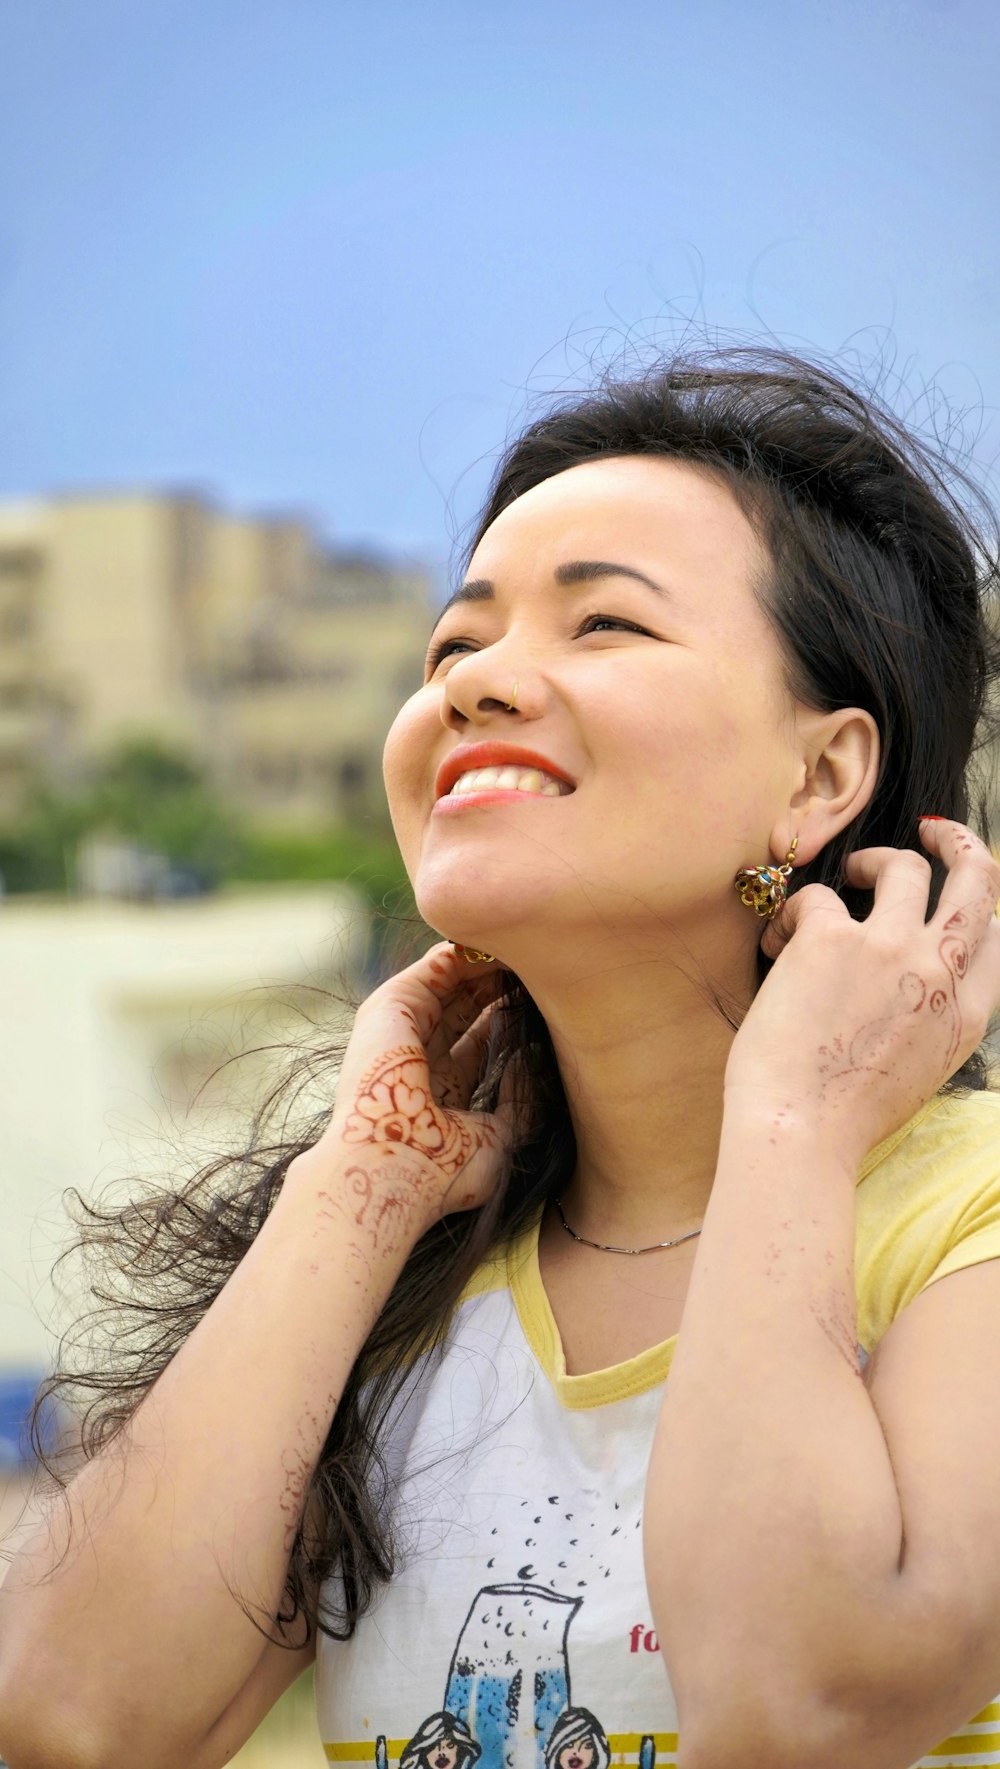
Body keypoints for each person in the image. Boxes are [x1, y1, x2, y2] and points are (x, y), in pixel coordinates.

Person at [2, 347, 1000, 1769]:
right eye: (455, 647)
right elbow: (64, 1720)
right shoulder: (397, 1265)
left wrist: (796, 1117)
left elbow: (798, 1706)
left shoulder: (969, 1216)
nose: (478, 686)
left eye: (604, 625)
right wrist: (363, 1182)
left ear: (821, 777)